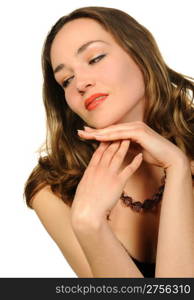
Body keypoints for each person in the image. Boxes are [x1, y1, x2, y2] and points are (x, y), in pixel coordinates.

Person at [23, 6, 194, 278]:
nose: (80, 83)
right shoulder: (53, 189)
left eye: (95, 58)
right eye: (66, 80)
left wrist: (178, 167)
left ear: (141, 54)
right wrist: (89, 225)